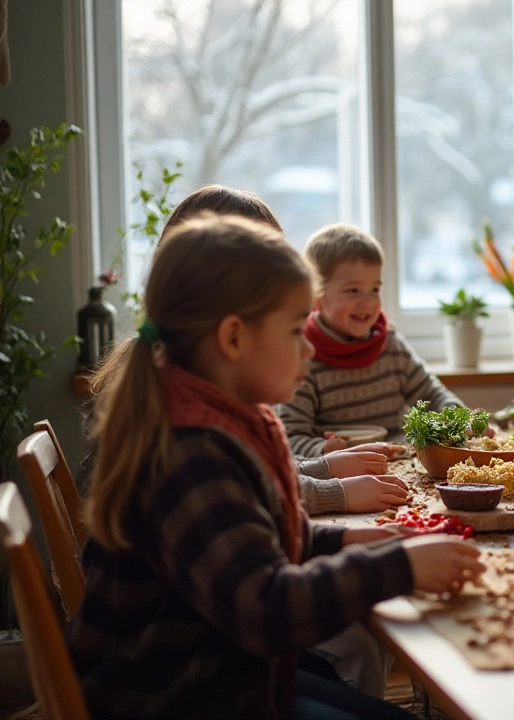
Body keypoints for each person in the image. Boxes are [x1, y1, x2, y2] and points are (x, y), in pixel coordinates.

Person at [68, 215, 486, 719]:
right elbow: (267, 608)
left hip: (223, 677)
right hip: (182, 701)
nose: (308, 348)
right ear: (233, 339)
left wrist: (340, 540)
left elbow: (251, 539)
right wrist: (398, 567)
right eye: (293, 330)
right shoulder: (189, 454)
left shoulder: (215, 421)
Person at [81, 185, 411, 516]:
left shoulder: (193, 370)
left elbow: (251, 468)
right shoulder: (184, 415)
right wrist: (334, 491)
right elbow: (238, 491)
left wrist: (324, 468)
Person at [277, 224, 464, 458]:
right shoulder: (304, 358)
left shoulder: (391, 346)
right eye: (353, 290)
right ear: (316, 298)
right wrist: (322, 449)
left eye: (374, 289)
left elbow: (434, 395)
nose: (367, 301)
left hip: (402, 465)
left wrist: (461, 420)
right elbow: (290, 438)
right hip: (344, 476)